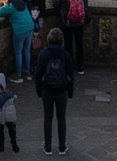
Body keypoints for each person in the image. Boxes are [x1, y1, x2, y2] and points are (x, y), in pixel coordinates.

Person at [34, 27, 75, 156]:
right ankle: (62, 148)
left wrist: (39, 91)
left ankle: (48, 147)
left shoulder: (44, 54)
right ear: (61, 41)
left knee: (48, 117)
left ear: (48, 39)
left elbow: (38, 74)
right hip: (62, 90)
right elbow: (71, 75)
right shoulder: (65, 54)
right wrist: (70, 92)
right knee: (61, 118)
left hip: (47, 89)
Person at [52, 0, 90, 75]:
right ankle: (80, 67)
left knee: (68, 45)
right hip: (80, 23)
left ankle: (69, 66)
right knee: (79, 44)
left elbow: (55, 3)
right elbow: (86, 7)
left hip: (67, 23)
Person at [0, 0, 35, 83]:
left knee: (18, 53)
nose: (4, 0)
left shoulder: (10, 6)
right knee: (26, 51)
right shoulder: (21, 2)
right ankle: (28, 72)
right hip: (29, 27)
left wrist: (5, 4)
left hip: (20, 31)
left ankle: (18, 75)